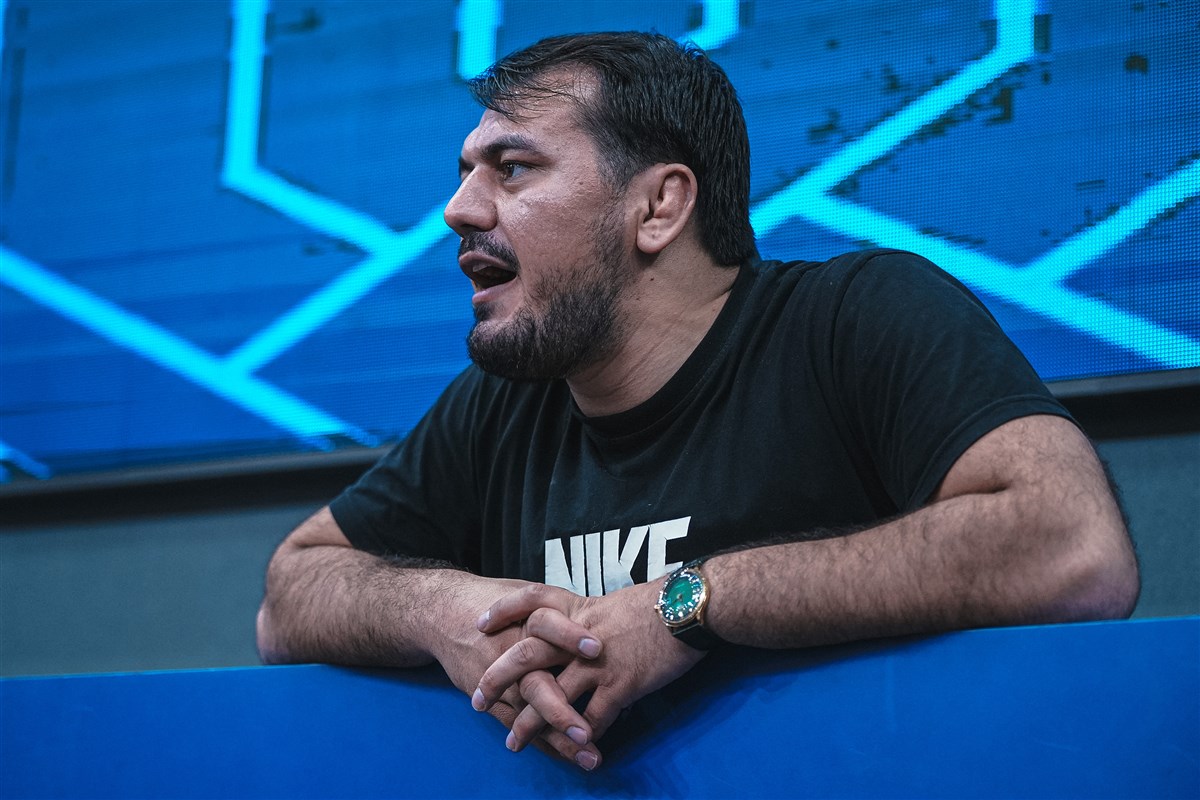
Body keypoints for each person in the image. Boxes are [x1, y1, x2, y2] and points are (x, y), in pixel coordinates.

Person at [256, 32, 1139, 771]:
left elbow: (1071, 546)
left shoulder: (853, 318)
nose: (457, 210)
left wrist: (688, 604)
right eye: (464, 173)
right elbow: (290, 595)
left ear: (659, 206)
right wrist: (447, 613)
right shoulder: (500, 405)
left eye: (512, 168)